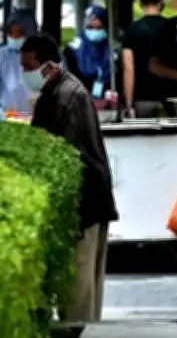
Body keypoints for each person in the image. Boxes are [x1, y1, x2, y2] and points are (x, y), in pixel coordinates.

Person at [22, 34, 118, 323]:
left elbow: (64, 155)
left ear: (49, 67)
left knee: (79, 288)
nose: (25, 73)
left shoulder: (67, 96)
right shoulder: (56, 91)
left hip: (85, 205)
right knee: (79, 286)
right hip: (85, 202)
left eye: (29, 67)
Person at [121, 0, 167, 117]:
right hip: (168, 96)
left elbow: (128, 68)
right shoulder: (171, 27)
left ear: (140, 1)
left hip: (141, 97)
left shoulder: (131, 30)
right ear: (162, 0)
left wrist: (129, 104)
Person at [63, 5, 114, 98]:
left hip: (106, 99)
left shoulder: (112, 50)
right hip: (79, 99)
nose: (94, 31)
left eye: (99, 28)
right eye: (90, 27)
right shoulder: (73, 49)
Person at [0, 9, 37, 114]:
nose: (14, 37)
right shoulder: (2, 55)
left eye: (20, 33)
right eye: (11, 33)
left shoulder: (45, 54)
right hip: (8, 116)